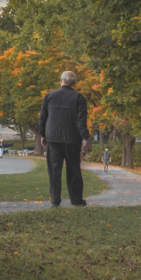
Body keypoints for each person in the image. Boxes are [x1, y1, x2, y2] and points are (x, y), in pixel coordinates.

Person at [38, 71, 90, 208]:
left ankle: (55, 201)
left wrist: (42, 134)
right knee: (73, 171)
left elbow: (42, 117)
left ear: (61, 80)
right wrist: (84, 137)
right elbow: (81, 121)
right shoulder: (79, 98)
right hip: (72, 138)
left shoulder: (49, 96)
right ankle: (76, 200)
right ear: (74, 83)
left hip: (53, 137)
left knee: (54, 170)